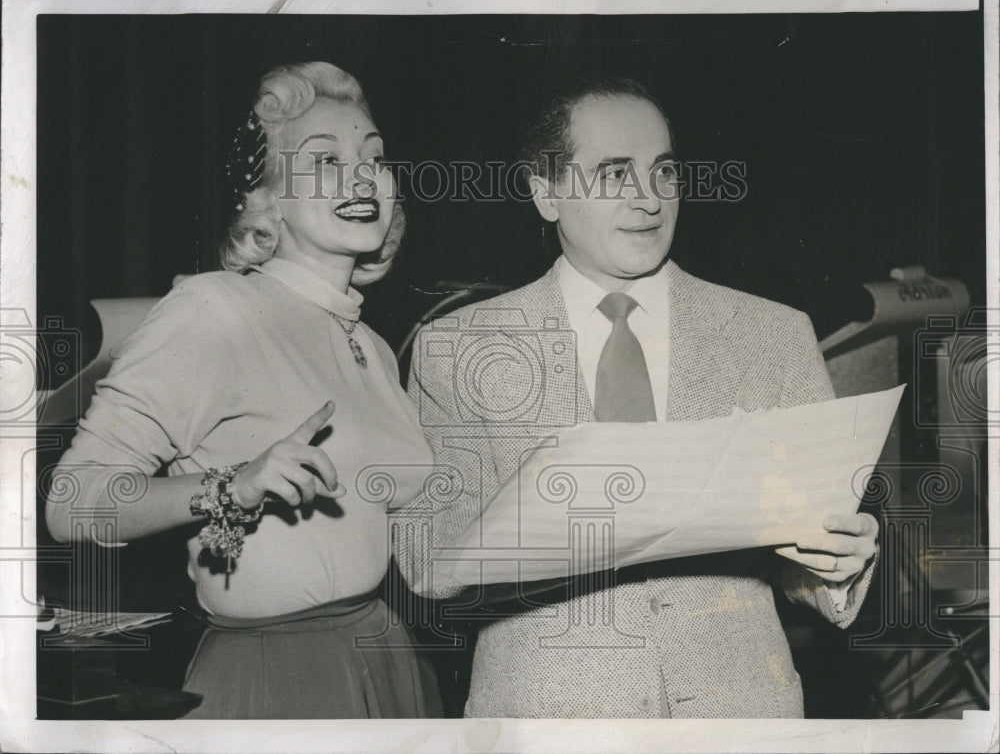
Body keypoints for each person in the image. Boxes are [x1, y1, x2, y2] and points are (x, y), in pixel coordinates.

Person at [404, 76, 879, 718]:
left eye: (663, 172)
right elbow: (428, 562)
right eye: (614, 174)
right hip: (548, 714)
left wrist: (837, 563)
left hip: (737, 713)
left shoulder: (774, 334)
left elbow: (801, 564)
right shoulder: (458, 348)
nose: (648, 199)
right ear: (546, 192)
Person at [46, 61, 441, 719]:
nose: (362, 175)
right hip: (274, 676)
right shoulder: (214, 309)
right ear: (269, 198)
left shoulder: (372, 343)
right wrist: (230, 486)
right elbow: (70, 500)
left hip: (384, 653)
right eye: (325, 159)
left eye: (373, 156)